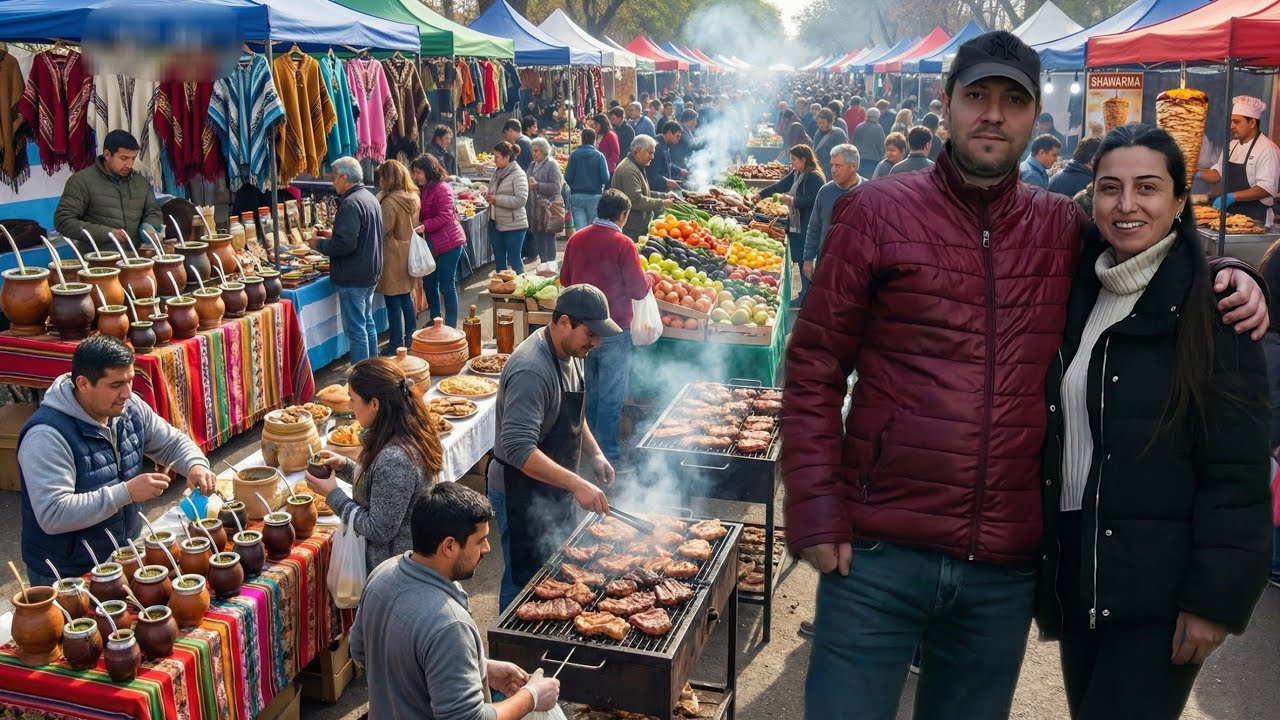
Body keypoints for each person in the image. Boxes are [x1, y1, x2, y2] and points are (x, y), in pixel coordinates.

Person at [782, 30, 1267, 720]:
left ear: (1035, 116)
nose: (992, 114)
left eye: (1013, 101)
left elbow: (1154, 251)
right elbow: (814, 368)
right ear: (947, 104)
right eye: (976, 95)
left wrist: (1235, 275)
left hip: (1002, 571)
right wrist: (814, 510)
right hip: (877, 554)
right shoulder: (877, 213)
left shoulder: (1062, 227)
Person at [1037, 123, 1272, 719]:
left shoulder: (1215, 308)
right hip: (1083, 572)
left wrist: (1214, 600)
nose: (1127, 204)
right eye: (1110, 188)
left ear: (1177, 199)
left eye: (1147, 187)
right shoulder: (1077, 289)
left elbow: (1238, 469)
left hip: (1161, 594)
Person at [350, 482, 561, 719]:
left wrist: (482, 667)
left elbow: (360, 653)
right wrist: (531, 697)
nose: (488, 548)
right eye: (480, 540)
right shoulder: (450, 625)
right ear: (449, 546)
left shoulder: (382, 573)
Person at [18, 335, 217, 584]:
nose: (127, 393)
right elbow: (53, 513)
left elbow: (172, 443)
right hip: (67, 572)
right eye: (115, 385)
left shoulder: (129, 407)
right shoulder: (46, 436)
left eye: (130, 381)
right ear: (83, 384)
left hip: (122, 554)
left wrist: (194, 464)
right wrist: (126, 493)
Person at [488, 285, 619, 608]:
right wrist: (577, 483)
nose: (596, 342)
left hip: (551, 487)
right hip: (519, 489)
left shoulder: (573, 352)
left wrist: (595, 453)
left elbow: (569, 410)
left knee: (555, 573)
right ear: (563, 323)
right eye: (591, 333)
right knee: (523, 580)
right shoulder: (532, 370)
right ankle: (508, 648)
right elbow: (518, 448)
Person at [306, 357, 444, 570]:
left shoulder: (395, 458)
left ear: (375, 404)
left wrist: (333, 495)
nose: (351, 407)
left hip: (395, 571)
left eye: (353, 400)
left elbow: (378, 529)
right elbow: (385, 489)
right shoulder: (407, 431)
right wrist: (345, 467)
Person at [560, 191, 656, 469]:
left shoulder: (576, 238)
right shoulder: (623, 243)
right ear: (623, 215)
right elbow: (638, 290)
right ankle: (609, 453)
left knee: (587, 392)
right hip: (613, 330)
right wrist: (652, 277)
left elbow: (566, 279)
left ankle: (586, 452)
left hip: (580, 329)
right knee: (611, 396)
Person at [316, 156, 383, 364]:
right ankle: (373, 368)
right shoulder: (369, 197)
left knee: (357, 329)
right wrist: (331, 236)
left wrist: (317, 245)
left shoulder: (350, 203)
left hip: (354, 275)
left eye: (334, 178)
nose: (332, 182)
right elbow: (359, 235)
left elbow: (345, 245)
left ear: (344, 177)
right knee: (366, 323)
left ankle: (362, 376)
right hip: (368, 271)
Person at [54, 129, 164, 248]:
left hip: (135, 259)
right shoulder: (81, 181)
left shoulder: (140, 182)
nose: (129, 164)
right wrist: (107, 233)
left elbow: (153, 211)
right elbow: (63, 221)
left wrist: (148, 226)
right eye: (124, 158)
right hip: (98, 261)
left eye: (133, 158)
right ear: (107, 155)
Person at [754, 145, 824, 306]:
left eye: (793, 160)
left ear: (803, 160)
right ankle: (799, 295)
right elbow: (779, 186)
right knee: (795, 261)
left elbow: (813, 202)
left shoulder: (814, 177)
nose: (791, 163)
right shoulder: (797, 173)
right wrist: (760, 194)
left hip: (806, 225)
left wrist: (792, 200)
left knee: (803, 261)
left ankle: (805, 298)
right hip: (794, 224)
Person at [1198, 95, 1279, 226]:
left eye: (1237, 122)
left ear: (1252, 123)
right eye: (1231, 121)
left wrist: (1231, 197)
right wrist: (1194, 173)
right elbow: (1218, 174)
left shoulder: (1267, 149)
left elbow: (1266, 188)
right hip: (1230, 218)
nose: (1231, 126)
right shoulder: (1232, 145)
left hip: (1255, 221)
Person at [412, 154, 466, 327]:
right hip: (432, 244)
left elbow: (444, 216)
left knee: (446, 285)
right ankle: (436, 319)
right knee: (429, 283)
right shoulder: (424, 188)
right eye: (415, 173)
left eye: (419, 172)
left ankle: (450, 326)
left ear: (429, 171)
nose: (416, 176)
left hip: (450, 243)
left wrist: (424, 226)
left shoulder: (442, 188)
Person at [373, 160, 420, 352]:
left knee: (393, 301)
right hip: (408, 250)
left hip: (392, 254)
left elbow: (382, 229)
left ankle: (395, 343)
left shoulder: (390, 202)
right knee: (405, 298)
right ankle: (411, 336)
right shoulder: (414, 197)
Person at [803, 144, 865, 278]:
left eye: (838, 165)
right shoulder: (825, 192)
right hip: (827, 265)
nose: (832, 170)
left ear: (853, 166)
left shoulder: (869, 193)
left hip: (858, 269)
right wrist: (808, 259)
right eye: (832, 165)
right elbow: (814, 227)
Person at [612, 135, 674, 240]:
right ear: (639, 150)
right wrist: (662, 203)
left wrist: (664, 196)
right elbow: (636, 200)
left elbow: (645, 193)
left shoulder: (636, 165)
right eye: (650, 153)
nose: (652, 157)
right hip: (631, 229)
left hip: (636, 226)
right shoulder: (629, 170)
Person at [485, 141, 529, 273]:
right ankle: (501, 291)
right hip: (495, 223)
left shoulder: (518, 174)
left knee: (515, 260)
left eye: (497, 157)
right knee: (499, 260)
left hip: (514, 225)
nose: (494, 160)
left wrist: (497, 199)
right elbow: (495, 192)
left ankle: (521, 291)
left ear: (507, 157)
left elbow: (521, 200)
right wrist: (487, 194)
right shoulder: (497, 172)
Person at [525, 138, 564, 266]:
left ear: (543, 151)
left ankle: (551, 264)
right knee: (538, 235)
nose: (533, 153)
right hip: (534, 206)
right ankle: (543, 262)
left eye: (536, 150)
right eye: (532, 151)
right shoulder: (531, 165)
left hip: (548, 207)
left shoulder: (551, 165)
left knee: (548, 235)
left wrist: (538, 185)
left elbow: (556, 187)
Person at [565, 127, 610, 233]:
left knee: (581, 230)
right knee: (593, 229)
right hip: (595, 196)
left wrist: (574, 185)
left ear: (582, 139)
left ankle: (582, 247)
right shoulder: (600, 156)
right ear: (594, 140)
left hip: (576, 196)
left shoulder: (574, 155)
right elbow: (605, 178)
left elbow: (567, 177)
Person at [646, 122, 688, 193]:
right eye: (677, 136)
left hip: (663, 187)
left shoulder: (666, 145)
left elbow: (667, 164)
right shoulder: (657, 147)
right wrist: (667, 182)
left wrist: (679, 171)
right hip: (656, 191)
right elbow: (651, 174)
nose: (678, 139)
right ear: (669, 133)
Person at [812, 109, 849, 180]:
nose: (820, 125)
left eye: (823, 123)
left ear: (830, 122)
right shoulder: (818, 134)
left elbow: (844, 154)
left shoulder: (839, 134)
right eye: (818, 123)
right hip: (820, 170)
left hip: (834, 171)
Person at [852, 108, 886, 178]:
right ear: (876, 117)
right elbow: (882, 146)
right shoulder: (878, 128)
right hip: (872, 160)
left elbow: (854, 143)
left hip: (859, 158)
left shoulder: (859, 126)